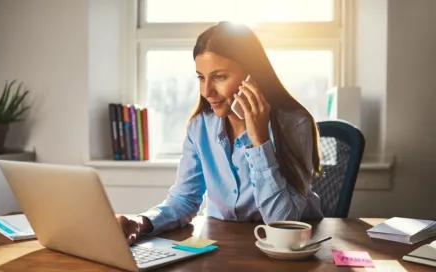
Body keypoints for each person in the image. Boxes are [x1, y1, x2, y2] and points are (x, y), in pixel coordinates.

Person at [117, 21, 323, 245]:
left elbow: (283, 223)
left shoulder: (293, 124)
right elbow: (184, 200)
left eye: (219, 77)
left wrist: (260, 141)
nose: (207, 91)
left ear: (252, 76)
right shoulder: (200, 127)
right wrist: (141, 221)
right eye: (201, 77)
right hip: (221, 245)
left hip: (290, 250)